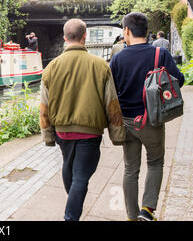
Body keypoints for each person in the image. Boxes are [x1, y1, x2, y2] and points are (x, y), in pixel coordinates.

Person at [40, 18, 125, 221]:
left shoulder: (51, 67)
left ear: (64, 38)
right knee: (81, 177)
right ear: (85, 36)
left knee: (69, 169)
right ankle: (71, 217)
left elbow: (44, 107)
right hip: (90, 133)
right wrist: (118, 135)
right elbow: (112, 104)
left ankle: (73, 207)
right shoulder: (100, 66)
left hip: (62, 132)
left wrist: (48, 135)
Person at [110, 12, 184, 221]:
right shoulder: (160, 55)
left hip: (126, 123)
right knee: (155, 163)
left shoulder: (117, 59)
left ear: (126, 31)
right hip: (151, 120)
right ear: (146, 31)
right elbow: (180, 79)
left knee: (130, 169)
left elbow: (110, 91)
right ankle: (147, 211)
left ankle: (132, 216)